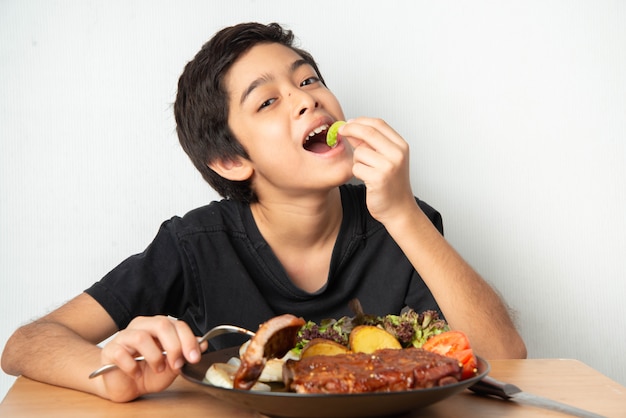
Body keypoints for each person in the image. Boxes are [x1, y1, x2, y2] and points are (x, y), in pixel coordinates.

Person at [1, 22, 526, 402]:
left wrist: (404, 213)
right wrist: (109, 370)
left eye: (308, 80)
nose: (306, 100)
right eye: (267, 101)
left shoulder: (403, 223)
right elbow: (25, 344)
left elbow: (505, 357)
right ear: (230, 160)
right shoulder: (194, 244)